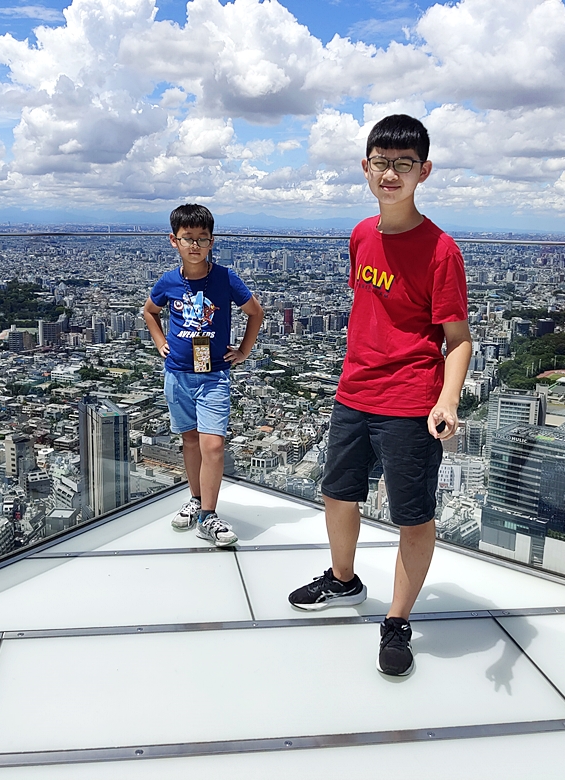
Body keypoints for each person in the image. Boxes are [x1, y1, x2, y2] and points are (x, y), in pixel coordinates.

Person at [287, 115, 471, 676]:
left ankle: (396, 621)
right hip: (354, 390)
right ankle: (344, 581)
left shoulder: (442, 250)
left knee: (412, 516)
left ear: (425, 171)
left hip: (410, 399)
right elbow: (370, 311)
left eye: (404, 164)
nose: (391, 173)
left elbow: (459, 340)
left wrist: (447, 399)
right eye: (382, 162)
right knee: (338, 495)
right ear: (365, 167)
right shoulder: (362, 235)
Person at [143, 204, 264, 547]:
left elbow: (255, 312)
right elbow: (149, 312)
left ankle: (208, 516)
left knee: (214, 444)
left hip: (213, 375)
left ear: (212, 242)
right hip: (178, 374)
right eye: (187, 239)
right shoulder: (168, 281)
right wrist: (160, 341)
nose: (194, 245)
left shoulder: (225, 278)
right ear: (173, 241)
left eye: (201, 239)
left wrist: (244, 351)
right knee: (191, 441)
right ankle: (196, 500)